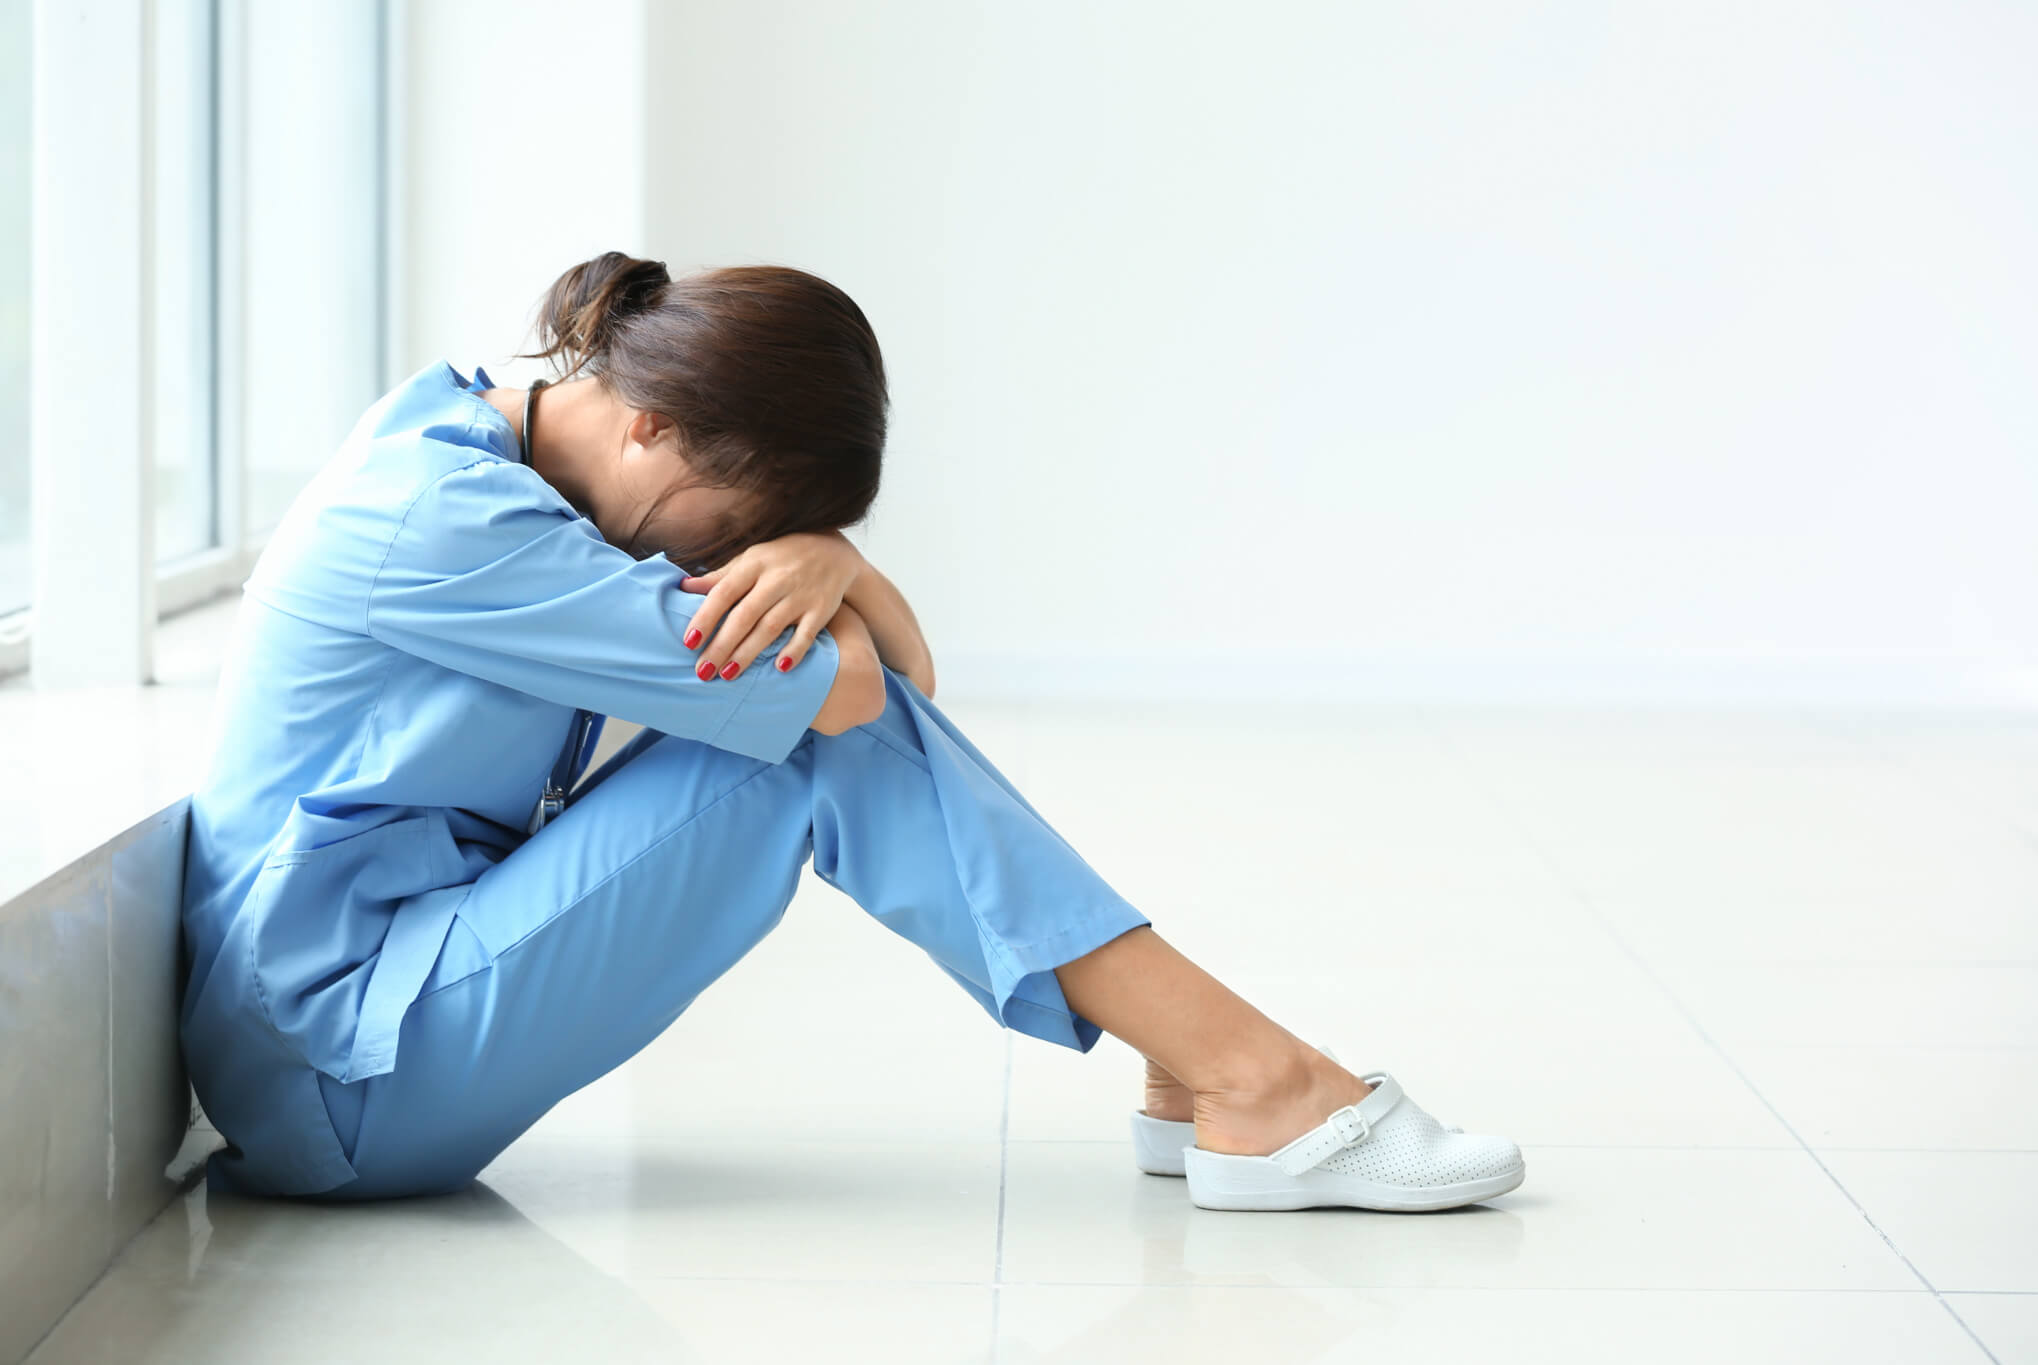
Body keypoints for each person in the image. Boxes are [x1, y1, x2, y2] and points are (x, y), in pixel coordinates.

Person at [177, 252, 1524, 1211]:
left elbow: (894, 686)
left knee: (809, 726)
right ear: (654, 427)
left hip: (376, 1001)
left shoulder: (473, 445)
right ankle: (1251, 1079)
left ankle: (1212, 1073)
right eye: (739, 526)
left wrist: (831, 562)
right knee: (806, 741)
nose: (723, 561)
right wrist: (838, 573)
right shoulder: (455, 523)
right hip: (340, 1068)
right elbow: (858, 702)